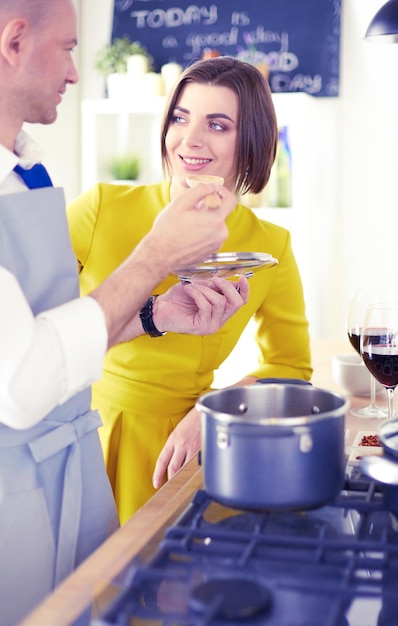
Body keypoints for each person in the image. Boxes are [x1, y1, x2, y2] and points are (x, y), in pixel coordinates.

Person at [0, 3, 249, 624]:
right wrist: (156, 254)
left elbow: (48, 338)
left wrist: (153, 316)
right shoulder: (101, 203)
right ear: (13, 42)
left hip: (68, 478)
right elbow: (22, 383)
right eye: (68, 48)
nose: (78, 73)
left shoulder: (24, 173)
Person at [67, 56, 312, 525]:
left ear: (251, 142)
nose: (190, 140)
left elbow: (291, 366)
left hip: (180, 453)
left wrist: (213, 411)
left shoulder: (270, 246)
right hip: (83, 432)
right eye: (180, 117)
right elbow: (35, 322)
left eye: (218, 125)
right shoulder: (100, 208)